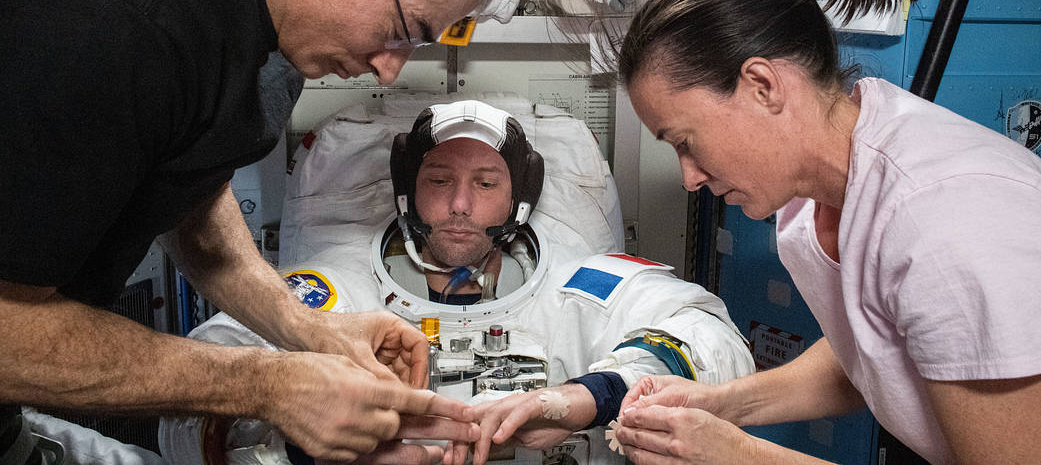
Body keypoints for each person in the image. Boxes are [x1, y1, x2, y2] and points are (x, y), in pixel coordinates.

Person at [0, 0, 506, 465]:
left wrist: (307, 330)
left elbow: (185, 187)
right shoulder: (110, 26)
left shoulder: (260, 28)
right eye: (401, 30)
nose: (389, 69)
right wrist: (268, 384)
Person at [606, 0, 1041, 464]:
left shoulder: (945, 223)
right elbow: (877, 352)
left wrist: (737, 455)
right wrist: (723, 405)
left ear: (763, 86)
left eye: (686, 142)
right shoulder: (809, 206)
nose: (690, 178)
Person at [158, 99, 755, 465]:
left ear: (518, 199)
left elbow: (716, 342)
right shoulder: (334, 298)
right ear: (408, 193)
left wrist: (585, 398)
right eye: (439, 181)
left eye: (486, 184)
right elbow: (183, 416)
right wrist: (318, 447)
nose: (461, 205)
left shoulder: (580, 288)